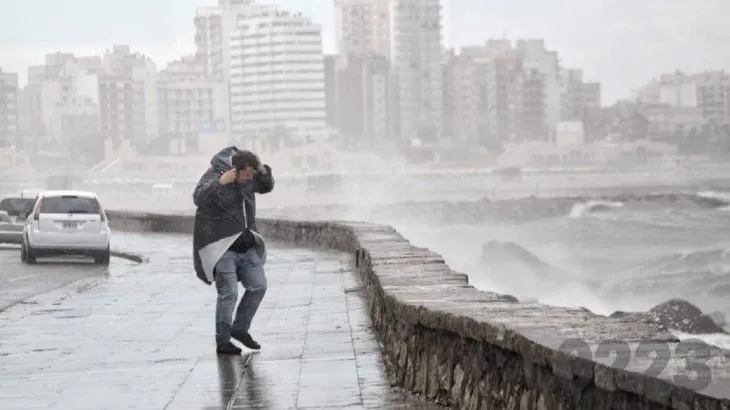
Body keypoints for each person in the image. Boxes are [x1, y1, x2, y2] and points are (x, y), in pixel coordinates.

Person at [192, 146, 274, 355]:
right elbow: (198, 198)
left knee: (258, 286)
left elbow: (266, 186)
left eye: (251, 174)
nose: (249, 179)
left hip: (247, 244)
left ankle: (240, 329)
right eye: (246, 175)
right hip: (222, 247)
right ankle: (223, 341)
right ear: (235, 170)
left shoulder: (250, 174)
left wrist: (262, 169)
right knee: (228, 293)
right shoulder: (215, 174)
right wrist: (220, 183)